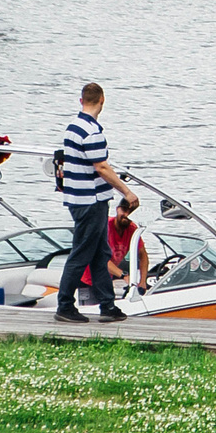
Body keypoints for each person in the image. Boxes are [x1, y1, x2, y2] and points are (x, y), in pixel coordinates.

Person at [54, 82, 139, 324]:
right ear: (103, 100)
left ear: (81, 101)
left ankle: (107, 305)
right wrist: (127, 192)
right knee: (81, 253)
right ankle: (65, 305)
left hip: (79, 198)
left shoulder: (73, 127)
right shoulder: (92, 132)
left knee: (100, 253)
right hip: (90, 201)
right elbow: (101, 167)